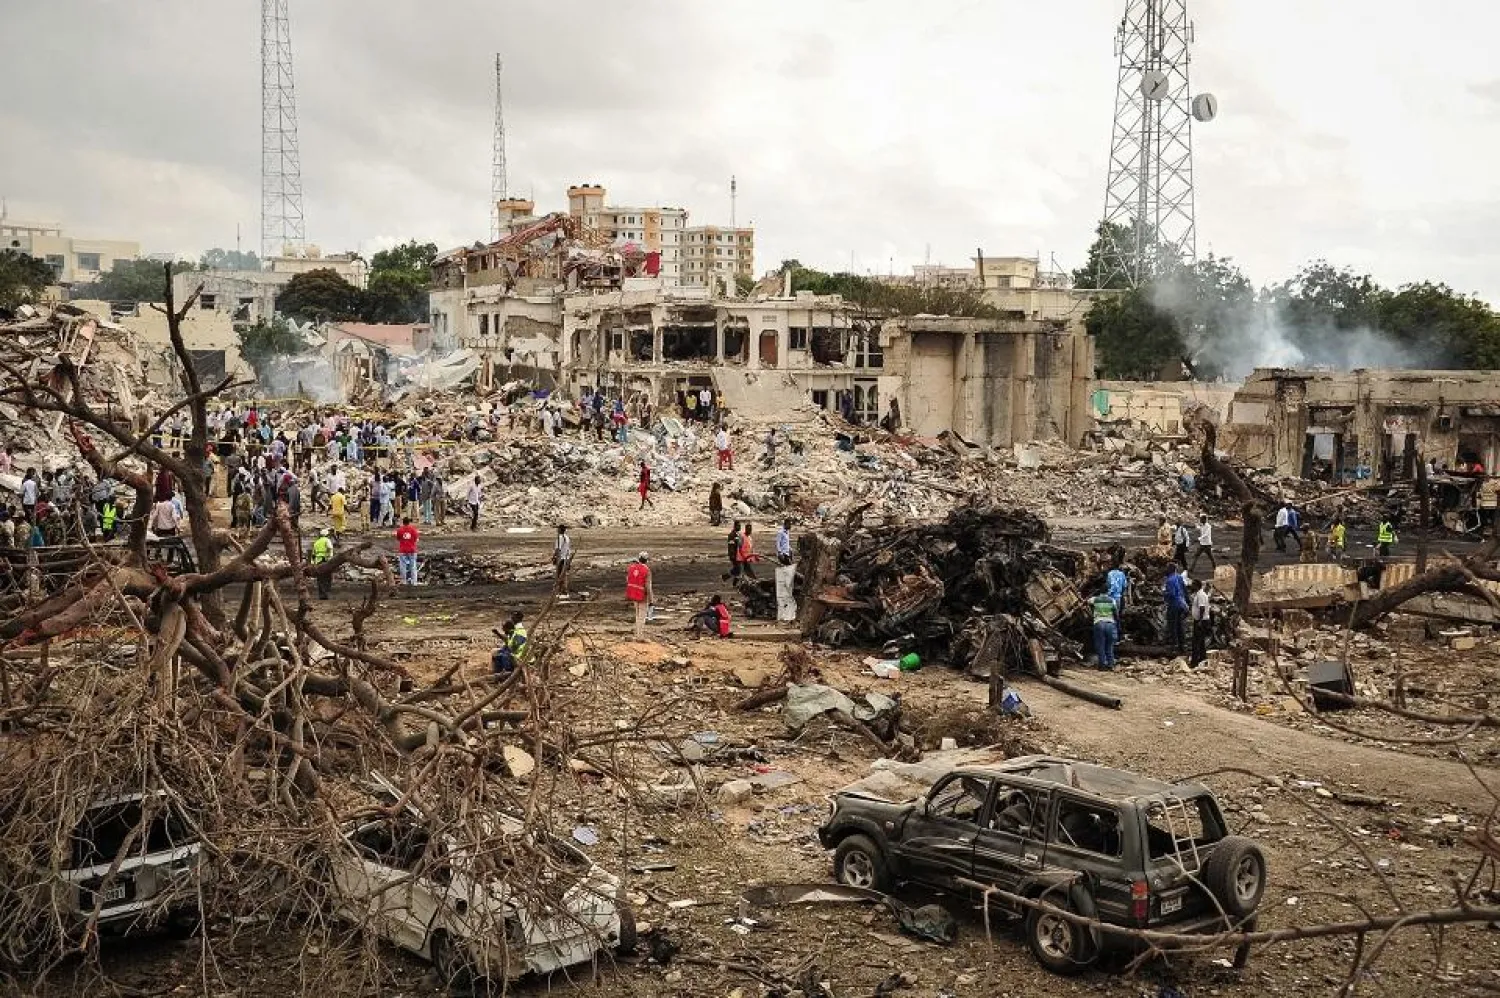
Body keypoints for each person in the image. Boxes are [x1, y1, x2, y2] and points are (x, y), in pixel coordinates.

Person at [626, 552, 654, 640]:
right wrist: (651, 600)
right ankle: (639, 636)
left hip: (633, 594)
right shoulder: (647, 570)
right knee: (642, 616)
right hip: (642, 595)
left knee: (637, 614)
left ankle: (637, 634)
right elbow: (648, 587)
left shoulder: (631, 568)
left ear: (639, 558)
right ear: (647, 560)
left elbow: (628, 580)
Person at [1163, 563, 1189, 654]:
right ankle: (1183, 645)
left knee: (1172, 626)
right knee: (1180, 626)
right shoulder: (1179, 577)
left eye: (1166, 568)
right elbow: (1184, 590)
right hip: (1182, 604)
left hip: (1174, 605)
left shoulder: (1169, 580)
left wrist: (1163, 594)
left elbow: (1171, 594)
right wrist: (1187, 602)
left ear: (1170, 569)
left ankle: (1175, 647)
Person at [1090, 590, 1119, 670]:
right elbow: (1116, 612)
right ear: (1108, 592)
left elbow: (1088, 602)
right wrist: (1116, 621)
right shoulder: (1112, 600)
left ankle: (1102, 666)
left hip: (1099, 623)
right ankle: (1110, 665)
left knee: (1100, 645)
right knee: (1109, 645)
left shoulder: (1095, 599)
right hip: (1110, 624)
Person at [1189, 579, 1212, 667]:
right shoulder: (1198, 594)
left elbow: (1202, 608)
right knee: (1201, 641)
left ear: (1196, 585)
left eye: (1193, 585)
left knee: (1196, 642)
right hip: (1200, 620)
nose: (1191, 586)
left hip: (1201, 621)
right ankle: (1202, 659)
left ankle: (1194, 662)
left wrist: (1200, 621)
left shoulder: (1201, 595)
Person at [395, 516, 420, 586]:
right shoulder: (413, 529)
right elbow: (416, 539)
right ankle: (414, 582)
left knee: (403, 566)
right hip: (412, 550)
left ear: (403, 522)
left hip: (403, 550)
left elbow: (398, 539)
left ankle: (403, 581)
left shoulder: (400, 530)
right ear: (409, 522)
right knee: (413, 566)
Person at [311, 528, 334, 599]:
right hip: (325, 560)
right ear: (327, 535)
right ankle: (326, 594)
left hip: (318, 561)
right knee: (327, 577)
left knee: (320, 578)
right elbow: (330, 548)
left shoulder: (316, 542)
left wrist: (313, 563)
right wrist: (330, 558)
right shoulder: (327, 540)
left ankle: (321, 595)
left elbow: (313, 554)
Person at [553, 524, 573, 596]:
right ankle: (564, 591)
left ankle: (563, 592)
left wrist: (554, 557)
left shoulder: (560, 538)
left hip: (562, 559)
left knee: (560, 575)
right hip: (566, 558)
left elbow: (558, 549)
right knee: (564, 575)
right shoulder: (567, 537)